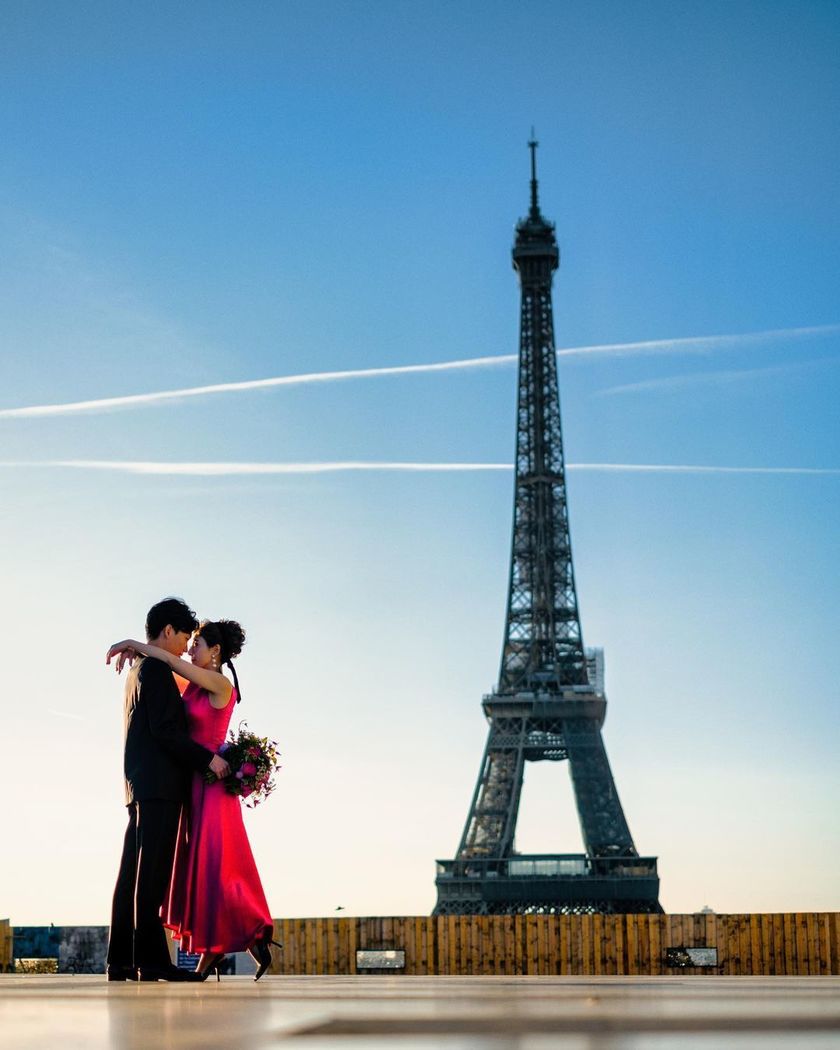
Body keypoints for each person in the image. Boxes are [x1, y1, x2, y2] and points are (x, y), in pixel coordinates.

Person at [107, 618, 277, 982]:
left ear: (215, 652)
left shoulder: (218, 683)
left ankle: (253, 932)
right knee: (199, 868)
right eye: (191, 642)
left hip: (213, 787)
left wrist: (132, 643)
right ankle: (217, 949)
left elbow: (168, 661)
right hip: (191, 785)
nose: (190, 649)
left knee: (218, 864)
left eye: (197, 643)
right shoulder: (193, 688)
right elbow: (159, 673)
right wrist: (139, 655)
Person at [106, 597, 231, 983]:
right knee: (152, 875)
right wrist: (208, 760)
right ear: (168, 631)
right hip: (159, 786)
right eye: (184, 638)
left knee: (130, 874)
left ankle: (121, 961)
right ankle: (152, 961)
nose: (185, 647)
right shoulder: (156, 670)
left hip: (139, 783)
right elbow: (166, 731)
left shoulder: (139, 670)